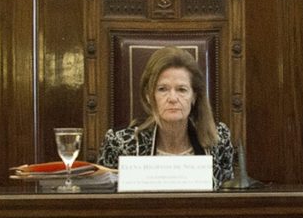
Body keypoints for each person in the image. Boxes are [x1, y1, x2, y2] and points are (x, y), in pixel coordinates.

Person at [97, 46, 235, 186]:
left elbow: (230, 195)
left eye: (181, 89)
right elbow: (103, 196)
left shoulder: (218, 140)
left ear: (194, 96)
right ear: (149, 95)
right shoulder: (120, 144)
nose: (173, 98)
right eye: (162, 89)